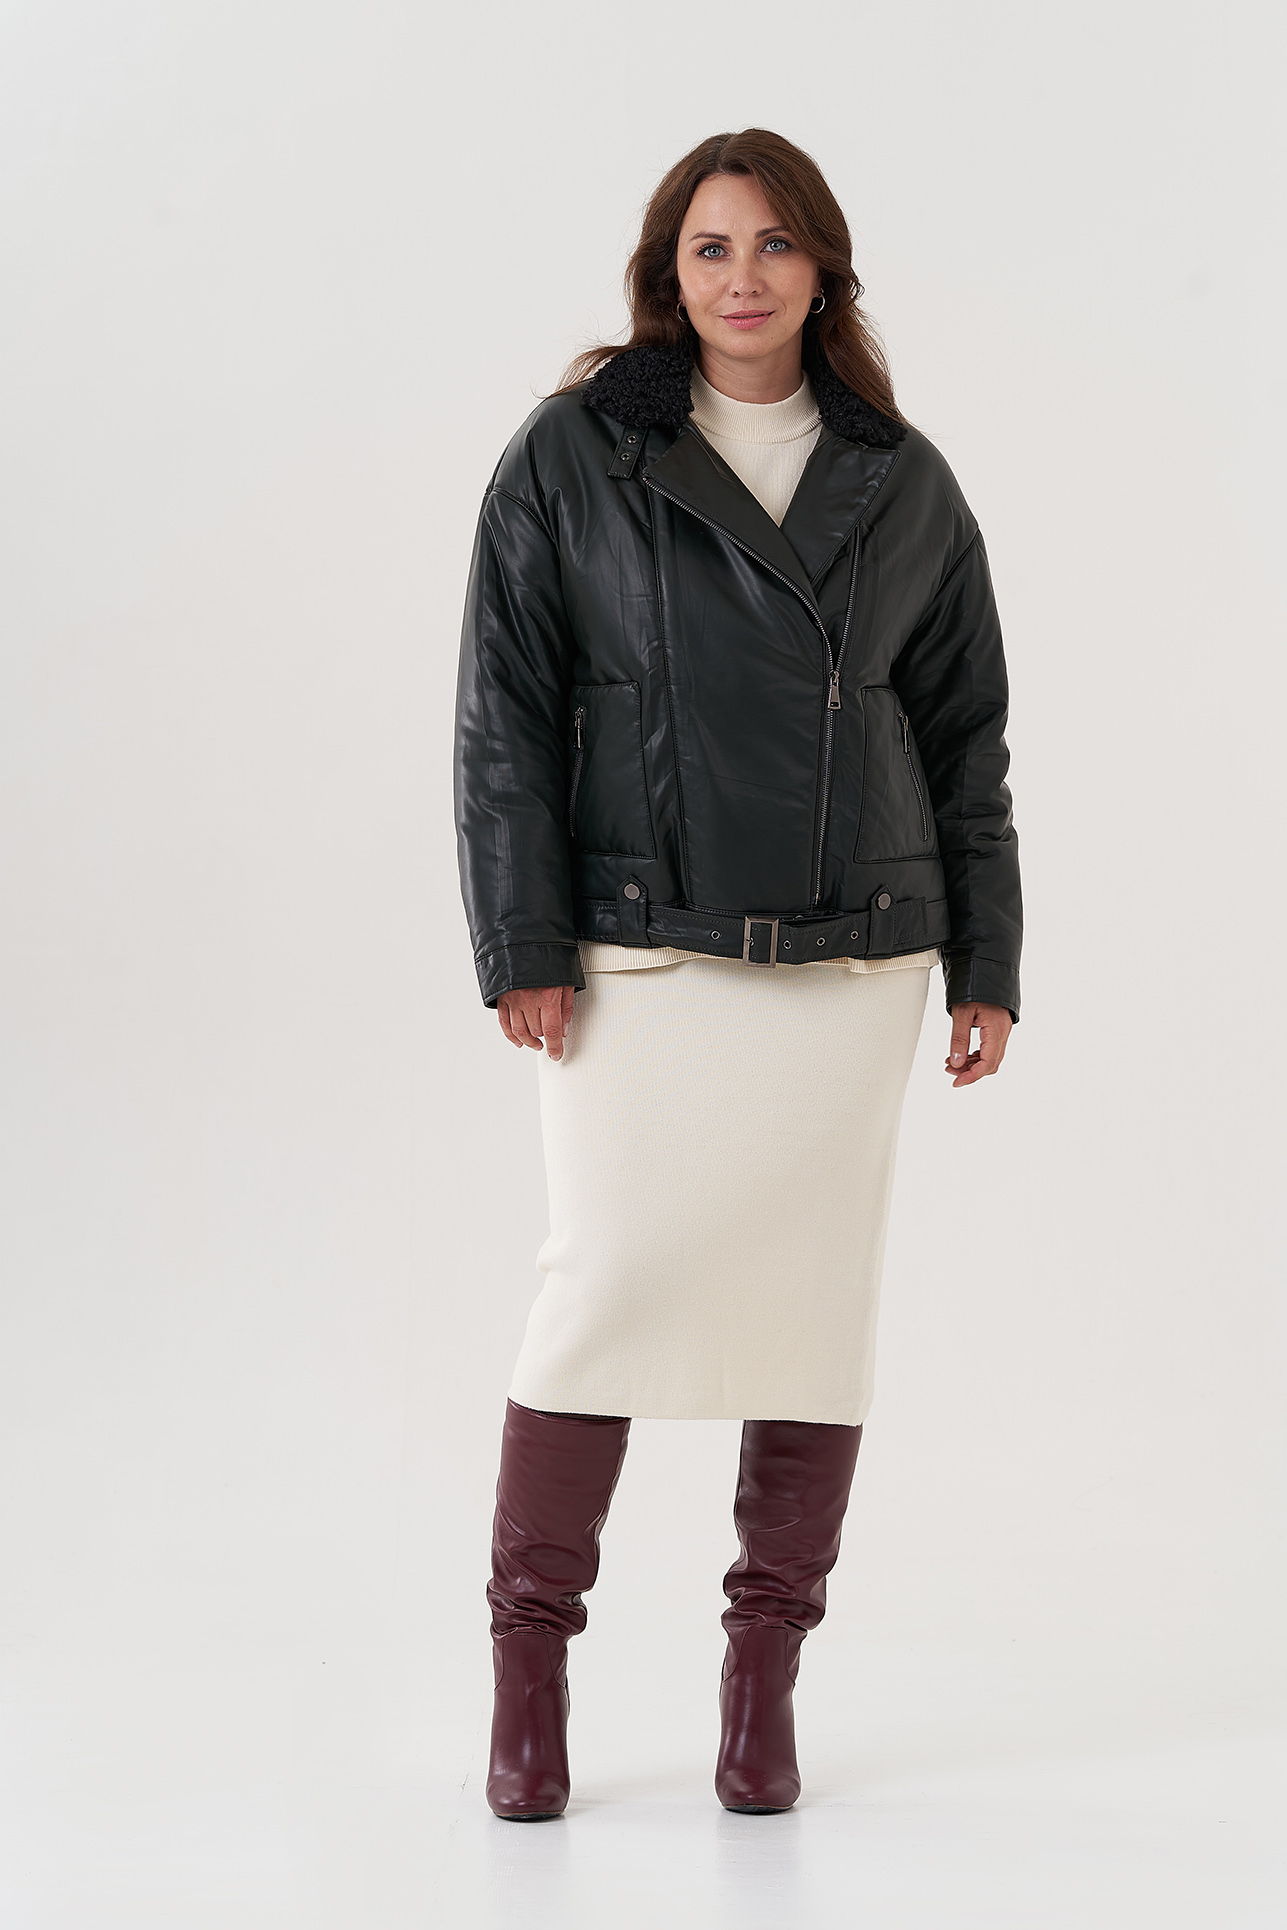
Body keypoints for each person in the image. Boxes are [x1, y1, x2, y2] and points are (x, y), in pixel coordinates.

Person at [453, 127, 1021, 1820]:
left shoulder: (902, 477)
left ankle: (762, 1681)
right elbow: (502, 717)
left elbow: (968, 739)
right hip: (640, 948)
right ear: (667, 274)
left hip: (852, 958)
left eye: (776, 244)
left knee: (811, 1320)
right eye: (712, 247)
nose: (745, 277)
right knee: (600, 1295)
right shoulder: (576, 456)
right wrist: (524, 938)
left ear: (823, 268)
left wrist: (986, 955)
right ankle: (530, 1672)